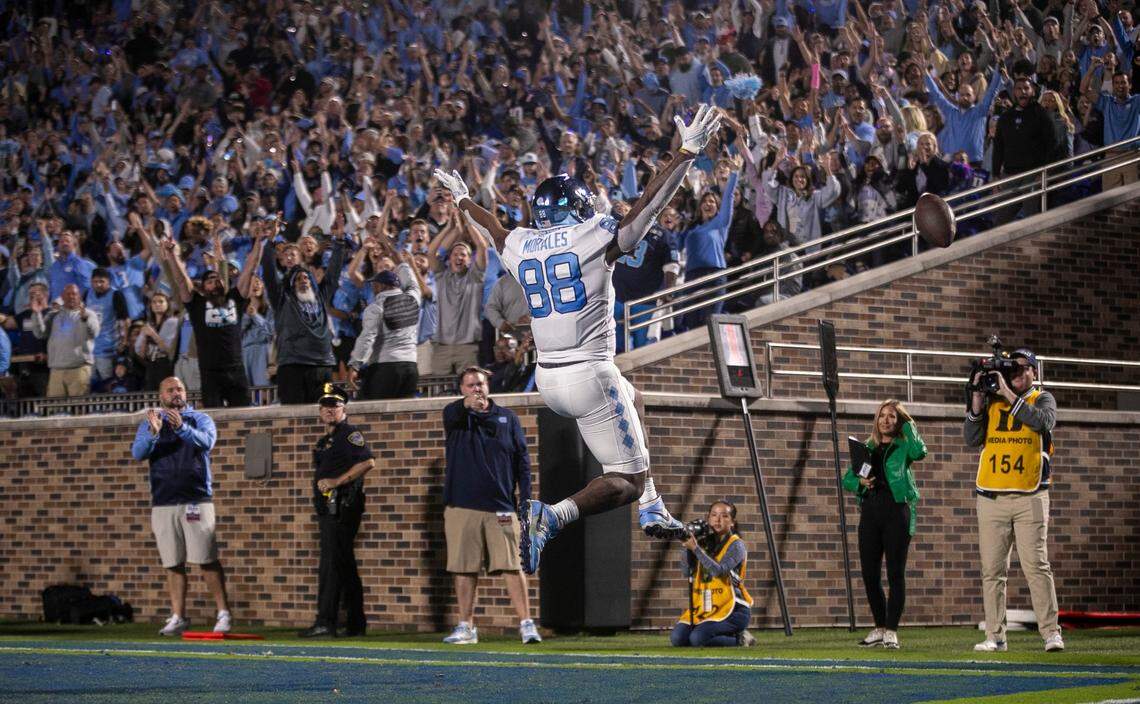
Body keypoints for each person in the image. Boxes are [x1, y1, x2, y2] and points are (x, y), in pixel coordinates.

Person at [433, 104, 722, 574]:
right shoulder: (594, 232)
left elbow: (492, 227)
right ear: (578, 209)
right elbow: (649, 204)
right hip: (591, 374)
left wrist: (463, 199)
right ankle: (554, 515)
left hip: (548, 378)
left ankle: (653, 505)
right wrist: (685, 153)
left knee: (635, 395)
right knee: (624, 479)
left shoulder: (523, 242)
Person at [964, 348, 1063, 653]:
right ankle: (995, 635)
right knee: (992, 571)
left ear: (1034, 371)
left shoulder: (1042, 398)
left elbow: (1042, 422)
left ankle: (1050, 633)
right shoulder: (994, 401)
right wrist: (977, 402)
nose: (1017, 374)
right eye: (1012, 370)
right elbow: (971, 438)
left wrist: (1006, 392)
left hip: (1030, 495)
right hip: (992, 495)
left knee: (1036, 566)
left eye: (1022, 369)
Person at [440, 367, 540, 645]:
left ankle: (526, 624)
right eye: (470, 385)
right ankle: (466, 626)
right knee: (464, 567)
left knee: (512, 565)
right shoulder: (455, 416)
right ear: (462, 389)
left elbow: (523, 461)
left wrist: (525, 499)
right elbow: (453, 413)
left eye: (480, 384)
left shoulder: (507, 418)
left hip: (501, 505)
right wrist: (466, 407)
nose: (476, 389)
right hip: (462, 505)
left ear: (488, 386)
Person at [130, 376, 232, 636]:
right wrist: (154, 433)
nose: (176, 393)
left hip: (196, 499)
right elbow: (138, 453)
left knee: (205, 559)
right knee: (172, 562)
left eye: (180, 389)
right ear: (161, 396)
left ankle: (223, 613)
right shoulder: (150, 423)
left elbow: (207, 442)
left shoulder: (200, 419)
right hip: (163, 501)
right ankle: (178, 616)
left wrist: (182, 428)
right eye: (170, 390)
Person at [843, 400, 927, 650]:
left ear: (899, 420)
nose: (886, 420)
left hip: (897, 513)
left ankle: (891, 630)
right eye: (882, 415)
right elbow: (847, 479)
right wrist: (860, 482)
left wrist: (910, 424)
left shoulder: (904, 446)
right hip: (870, 514)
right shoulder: (867, 447)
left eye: (892, 416)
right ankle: (879, 627)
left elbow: (920, 452)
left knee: (894, 573)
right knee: (870, 575)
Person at [299, 383, 375, 638]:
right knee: (343, 564)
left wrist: (336, 481)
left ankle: (326, 622)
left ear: (344, 408)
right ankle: (355, 623)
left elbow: (367, 462)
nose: (329, 409)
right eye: (325, 405)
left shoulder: (349, 434)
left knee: (331, 565)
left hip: (342, 508)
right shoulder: (326, 440)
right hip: (329, 510)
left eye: (334, 405)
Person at [670, 501, 754, 648]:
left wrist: (695, 549)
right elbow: (686, 571)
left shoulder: (736, 545)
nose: (718, 519)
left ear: (732, 522)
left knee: (698, 639)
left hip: (734, 610)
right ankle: (715, 632)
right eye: (714, 515)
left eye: (724, 516)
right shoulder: (703, 543)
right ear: (708, 519)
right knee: (678, 639)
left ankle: (741, 639)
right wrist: (687, 545)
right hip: (705, 607)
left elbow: (718, 571)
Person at [348, 255, 422, 400]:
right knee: (404, 415)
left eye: (375, 284)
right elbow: (412, 281)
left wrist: (355, 365)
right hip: (411, 368)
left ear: (382, 286)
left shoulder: (375, 308)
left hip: (385, 369)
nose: (373, 287)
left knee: (371, 412)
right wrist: (402, 265)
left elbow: (367, 337)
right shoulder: (414, 299)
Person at [30, 283, 101, 398]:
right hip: (56, 371)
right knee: (55, 410)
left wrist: (85, 319)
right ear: (62, 297)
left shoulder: (88, 314)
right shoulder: (53, 315)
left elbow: (95, 333)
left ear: (80, 297)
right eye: (68, 294)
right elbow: (40, 334)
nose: (71, 297)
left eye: (74, 294)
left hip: (79, 369)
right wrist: (37, 313)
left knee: (78, 409)